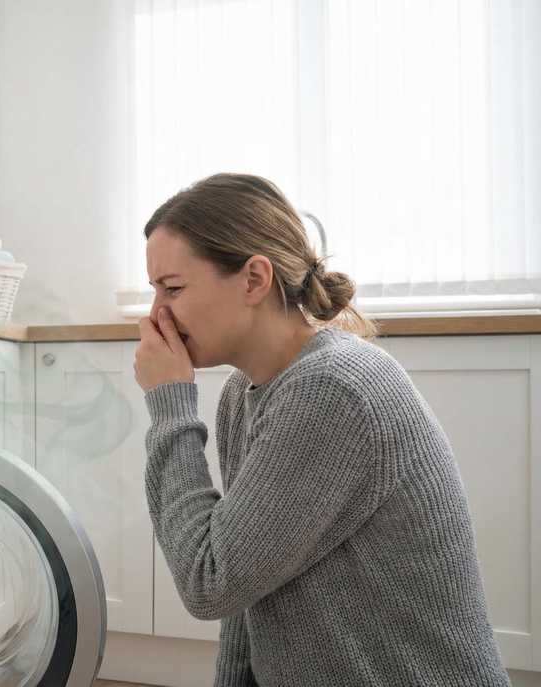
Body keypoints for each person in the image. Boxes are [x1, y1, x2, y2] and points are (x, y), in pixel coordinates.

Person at [133, 173, 511, 686]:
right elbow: (245, 593)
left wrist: (170, 405)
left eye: (172, 288)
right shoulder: (244, 393)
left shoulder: (333, 390)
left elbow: (210, 581)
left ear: (254, 280)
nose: (157, 315)